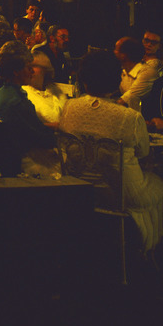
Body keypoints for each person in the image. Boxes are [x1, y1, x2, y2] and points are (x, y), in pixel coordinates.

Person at [59, 49, 163, 254]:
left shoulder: (69, 107)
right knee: (157, 182)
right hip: (122, 194)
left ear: (84, 79)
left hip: (80, 190)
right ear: (117, 79)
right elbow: (143, 153)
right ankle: (151, 251)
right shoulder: (130, 117)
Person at [0, 40, 56, 174]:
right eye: (28, 67)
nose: (32, 71)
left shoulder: (0, 93)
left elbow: (26, 126)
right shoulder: (17, 101)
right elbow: (43, 139)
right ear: (16, 71)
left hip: (4, 161)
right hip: (20, 165)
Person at [23, 51, 67, 127]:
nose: (30, 70)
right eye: (27, 67)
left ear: (45, 69)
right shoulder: (23, 94)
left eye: (34, 66)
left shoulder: (55, 90)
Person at [115, 36, 160, 111]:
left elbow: (128, 98)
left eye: (116, 49)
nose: (114, 52)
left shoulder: (147, 72)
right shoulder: (124, 70)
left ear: (124, 55)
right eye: (146, 40)